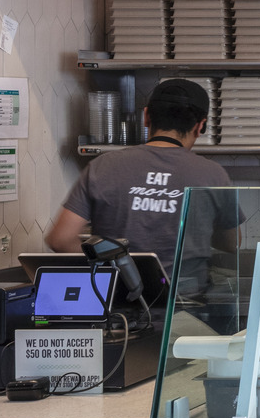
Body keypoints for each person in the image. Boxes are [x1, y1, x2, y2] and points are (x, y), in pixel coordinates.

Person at [45, 79, 242, 301]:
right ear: (200, 126)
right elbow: (231, 244)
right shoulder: (213, 174)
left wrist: (106, 265)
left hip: (114, 303)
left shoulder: (104, 166)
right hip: (185, 306)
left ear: (146, 117)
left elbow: (59, 240)